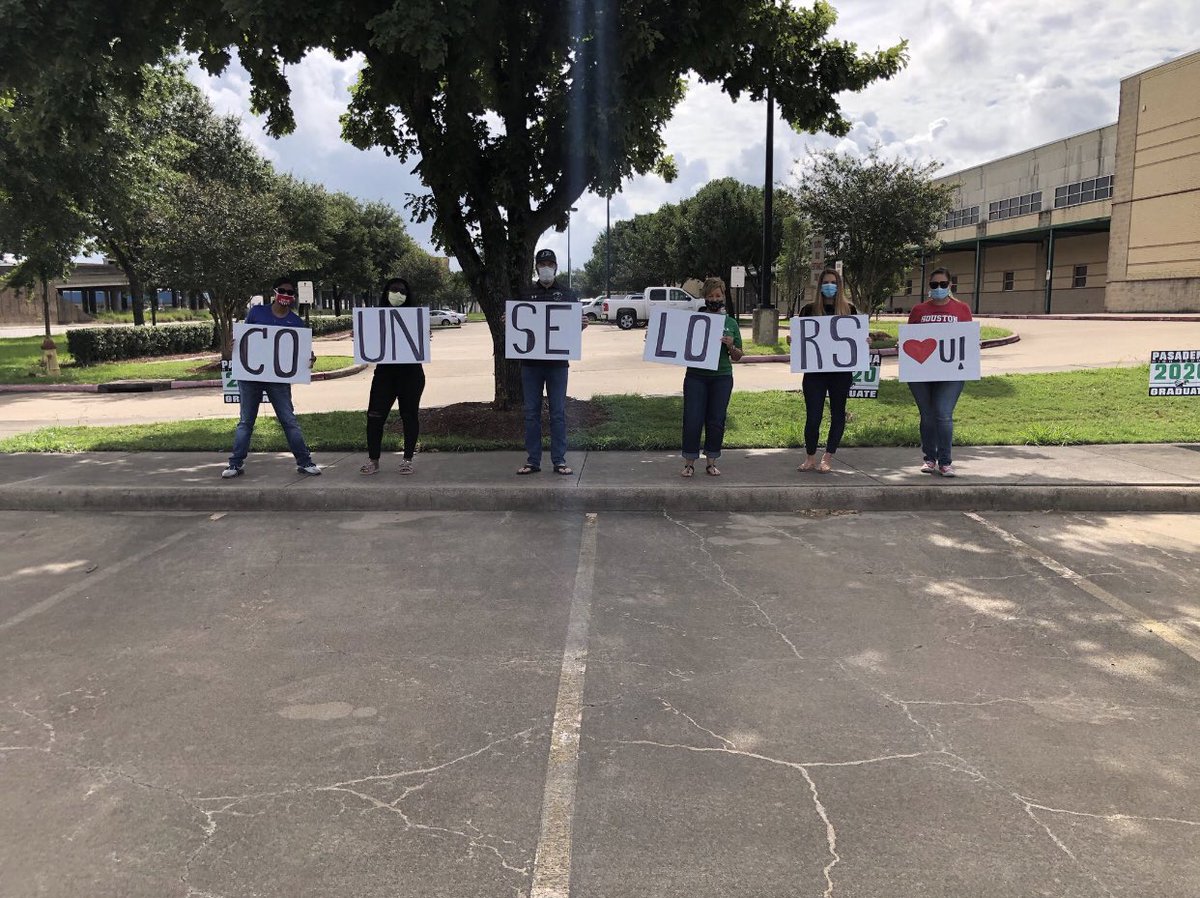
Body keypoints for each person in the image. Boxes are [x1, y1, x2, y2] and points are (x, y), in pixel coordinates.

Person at [222, 276, 321, 478]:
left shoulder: (296, 321)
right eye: (282, 291)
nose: (286, 295)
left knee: (288, 420)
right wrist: (234, 347)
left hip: (278, 379)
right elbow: (244, 339)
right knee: (246, 421)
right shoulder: (257, 312)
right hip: (250, 378)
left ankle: (305, 461)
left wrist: (308, 359)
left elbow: (300, 352)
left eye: (290, 292)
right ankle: (235, 463)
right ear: (274, 292)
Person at [517, 248, 585, 475]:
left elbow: (571, 329)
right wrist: (511, 322)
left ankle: (559, 460)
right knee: (531, 413)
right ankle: (532, 460)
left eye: (549, 263)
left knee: (557, 412)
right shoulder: (525, 294)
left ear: (555, 266)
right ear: (536, 267)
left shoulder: (567, 294)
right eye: (542, 264)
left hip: (557, 365)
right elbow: (519, 326)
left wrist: (580, 324)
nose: (546, 267)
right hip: (531, 364)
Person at [907, 266, 973, 477]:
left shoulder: (962, 309)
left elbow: (967, 339)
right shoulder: (919, 311)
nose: (938, 288)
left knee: (943, 415)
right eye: (934, 285)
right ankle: (929, 459)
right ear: (929, 287)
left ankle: (945, 461)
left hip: (951, 373)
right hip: (921, 372)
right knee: (927, 416)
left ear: (950, 285)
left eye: (943, 284)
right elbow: (911, 337)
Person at [794, 268, 859, 473]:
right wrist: (794, 341)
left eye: (833, 282)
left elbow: (855, 338)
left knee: (838, 413)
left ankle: (828, 457)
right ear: (819, 285)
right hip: (814, 373)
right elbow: (802, 340)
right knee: (813, 416)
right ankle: (810, 457)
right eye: (825, 282)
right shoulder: (808, 310)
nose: (829, 286)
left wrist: (862, 340)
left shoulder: (849, 310)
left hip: (840, 373)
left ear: (839, 286)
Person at [359, 277, 425, 475]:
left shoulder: (415, 317)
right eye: (394, 290)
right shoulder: (376, 318)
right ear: (386, 293)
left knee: (409, 416)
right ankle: (373, 460)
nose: (398, 295)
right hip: (384, 375)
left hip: (411, 374)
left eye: (403, 291)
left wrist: (424, 335)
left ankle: (407, 459)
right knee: (374, 416)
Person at [681, 276, 743, 477]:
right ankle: (689, 463)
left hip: (722, 377)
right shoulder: (693, 321)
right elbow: (679, 344)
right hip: (695, 377)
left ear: (723, 297)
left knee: (716, 420)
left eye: (718, 295)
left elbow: (738, 356)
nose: (715, 299)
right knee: (692, 419)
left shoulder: (731, 323)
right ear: (705, 298)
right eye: (710, 295)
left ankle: (711, 461)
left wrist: (731, 345)